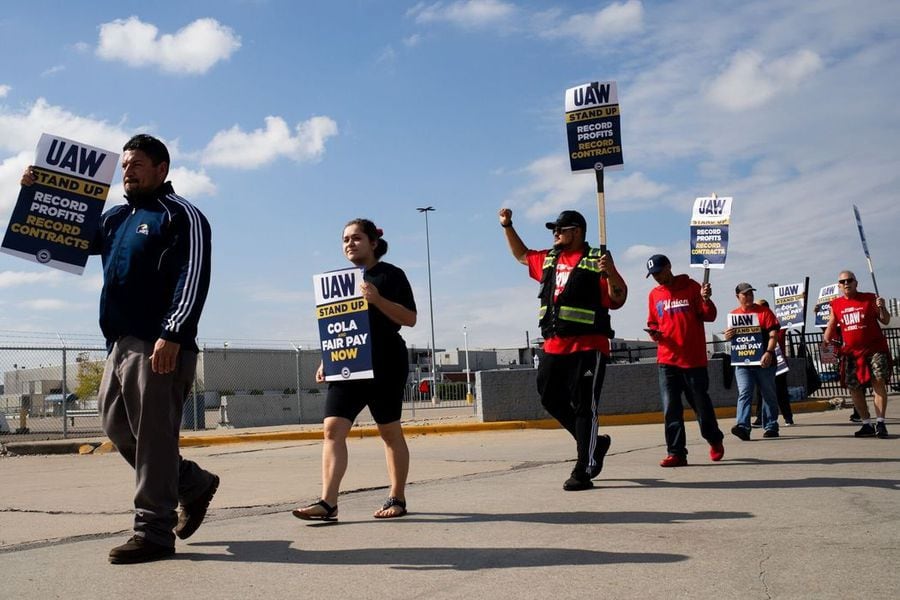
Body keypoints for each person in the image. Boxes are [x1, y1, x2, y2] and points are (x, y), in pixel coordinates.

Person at [22, 134, 218, 564]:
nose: (128, 171)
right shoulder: (114, 219)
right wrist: (37, 194)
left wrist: (174, 332)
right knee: (117, 428)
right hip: (119, 343)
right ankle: (192, 483)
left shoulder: (182, 215)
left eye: (138, 164)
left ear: (161, 169)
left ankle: (152, 532)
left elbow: (194, 275)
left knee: (153, 439)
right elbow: (69, 239)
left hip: (159, 344)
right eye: (125, 165)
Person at [293, 219, 417, 521]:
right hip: (348, 364)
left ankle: (397, 497)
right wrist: (328, 360)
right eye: (345, 239)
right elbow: (337, 328)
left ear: (373, 242)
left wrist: (376, 299)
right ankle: (328, 502)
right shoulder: (339, 282)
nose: (350, 243)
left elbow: (410, 318)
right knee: (332, 428)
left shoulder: (391, 275)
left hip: (385, 363)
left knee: (389, 432)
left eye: (357, 238)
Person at [498, 208, 627, 491]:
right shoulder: (549, 258)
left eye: (560, 229)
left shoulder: (597, 259)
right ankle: (594, 443)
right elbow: (521, 256)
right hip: (554, 345)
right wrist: (508, 226)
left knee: (584, 407)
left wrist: (612, 273)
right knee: (549, 397)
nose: (555, 233)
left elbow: (619, 298)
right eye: (554, 229)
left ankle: (584, 468)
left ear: (577, 231)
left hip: (587, 345)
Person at [645, 254, 725, 467]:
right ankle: (676, 452)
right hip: (667, 360)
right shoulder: (654, 295)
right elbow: (653, 322)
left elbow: (710, 316)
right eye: (653, 275)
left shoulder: (691, 287)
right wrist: (654, 333)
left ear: (669, 267)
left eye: (659, 272)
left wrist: (706, 299)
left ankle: (714, 439)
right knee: (670, 407)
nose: (656, 278)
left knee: (701, 405)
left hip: (693, 361)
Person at [823, 271, 892, 438]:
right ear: (839, 286)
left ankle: (881, 422)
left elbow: (885, 320)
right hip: (852, 353)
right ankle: (867, 424)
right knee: (853, 388)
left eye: (849, 280)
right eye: (843, 281)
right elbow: (832, 324)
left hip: (874, 349)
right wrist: (826, 341)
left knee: (879, 382)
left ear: (856, 283)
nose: (846, 283)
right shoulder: (836, 304)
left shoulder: (870, 298)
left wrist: (882, 307)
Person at [725, 283, 780, 440]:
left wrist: (769, 352)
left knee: (768, 393)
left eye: (751, 293)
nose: (749, 296)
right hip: (743, 363)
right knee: (745, 392)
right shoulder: (733, 315)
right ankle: (743, 426)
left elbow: (774, 333)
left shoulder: (764, 312)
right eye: (745, 294)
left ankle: (771, 426)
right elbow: (734, 340)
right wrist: (728, 336)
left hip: (764, 362)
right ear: (738, 297)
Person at [751, 299, 794, 426]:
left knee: (781, 392)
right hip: (763, 364)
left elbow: (792, 318)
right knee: (761, 393)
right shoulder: (756, 327)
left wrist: (801, 301)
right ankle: (760, 418)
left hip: (779, 363)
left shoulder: (776, 323)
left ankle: (788, 417)